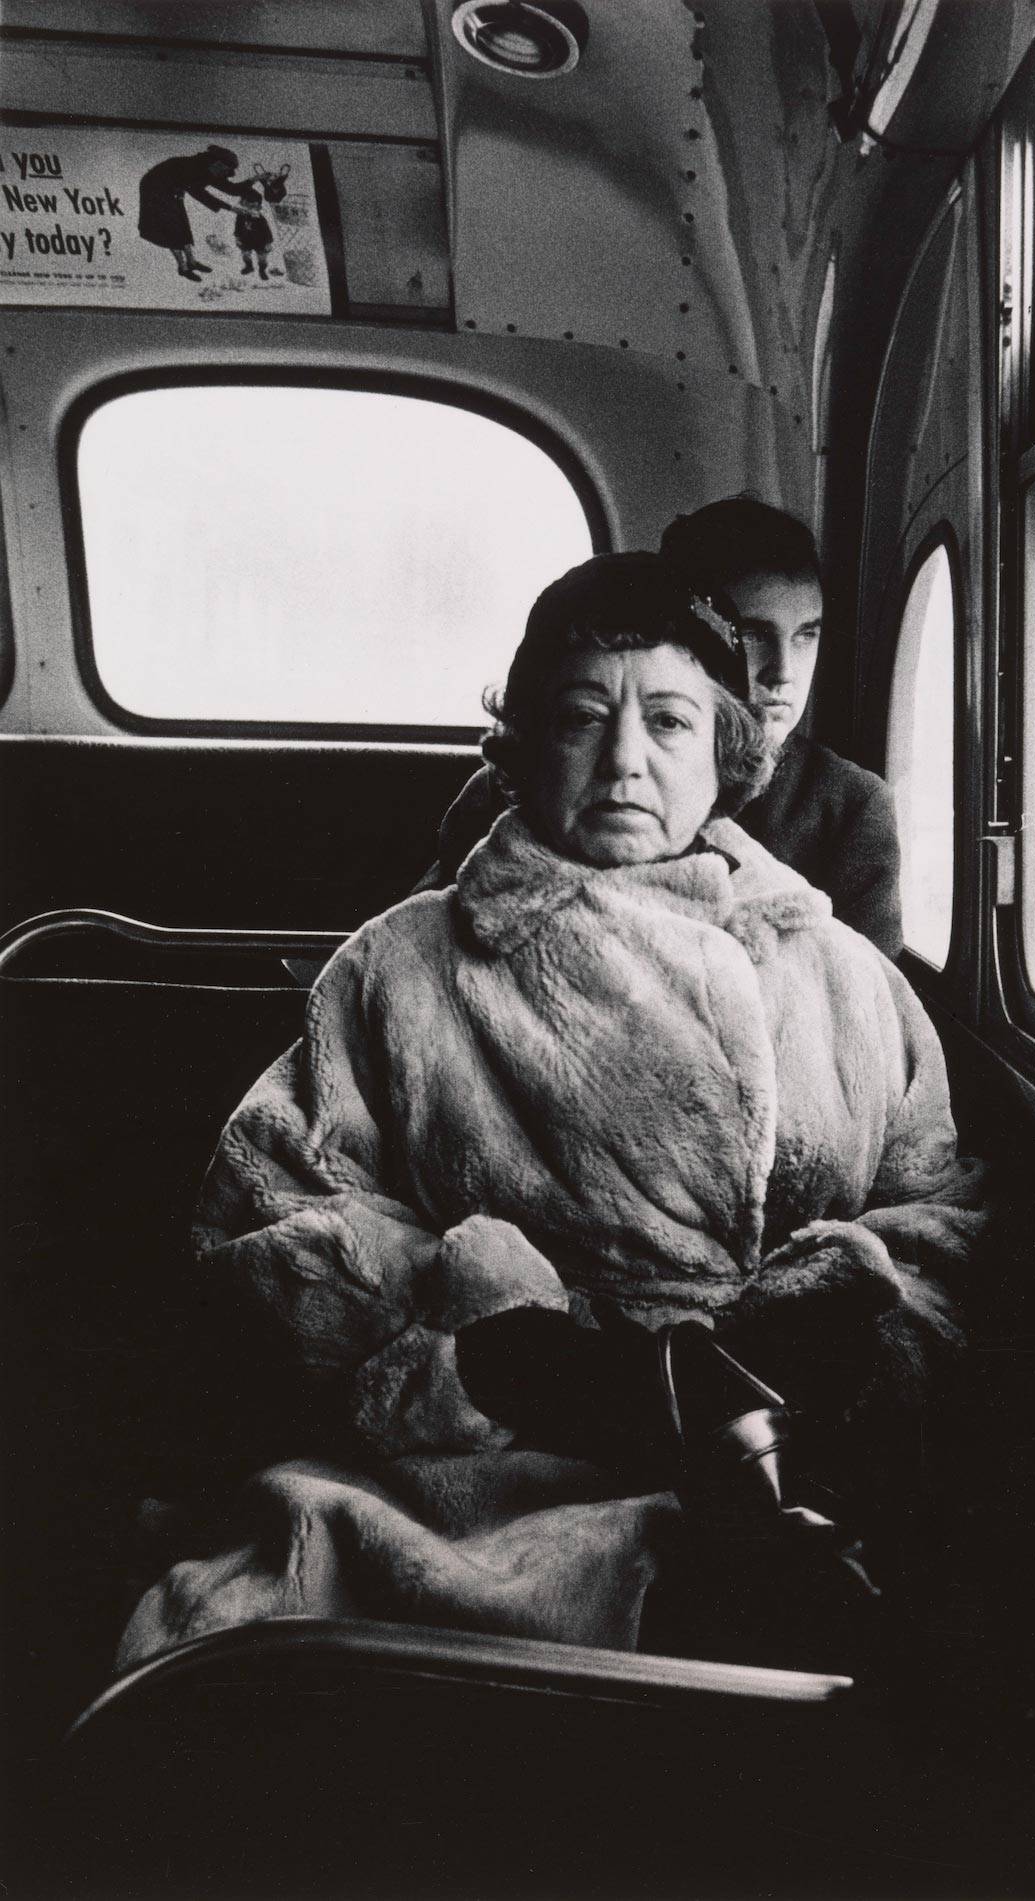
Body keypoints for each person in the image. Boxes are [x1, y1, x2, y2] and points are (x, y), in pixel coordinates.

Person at [118, 554, 979, 1671]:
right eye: (582, 717)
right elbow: (269, 1212)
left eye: (668, 722)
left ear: (725, 755)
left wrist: (833, 1323)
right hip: (478, 1470)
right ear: (521, 748)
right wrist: (504, 1357)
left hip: (789, 1452)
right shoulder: (401, 965)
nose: (625, 758)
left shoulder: (840, 972)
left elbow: (942, 1213)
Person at [420, 498, 903, 956]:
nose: (783, 672)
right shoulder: (511, 792)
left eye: (805, 637)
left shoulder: (850, 809)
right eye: (753, 634)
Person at [137, 145, 253, 281]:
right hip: (155, 187)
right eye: (224, 169)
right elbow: (200, 194)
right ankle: (183, 267)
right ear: (217, 163)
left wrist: (256, 179)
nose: (223, 174)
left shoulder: (213, 170)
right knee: (171, 227)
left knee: (182, 223)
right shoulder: (194, 167)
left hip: (174, 188)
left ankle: (191, 262)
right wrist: (231, 208)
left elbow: (232, 189)